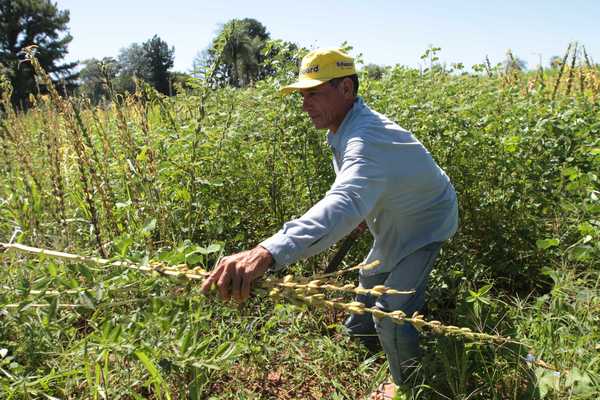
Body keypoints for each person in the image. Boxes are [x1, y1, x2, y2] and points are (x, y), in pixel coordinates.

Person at [201, 48, 458, 399]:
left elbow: (346, 200)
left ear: (347, 89)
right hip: (394, 213)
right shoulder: (345, 127)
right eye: (302, 95)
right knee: (370, 276)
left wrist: (267, 252)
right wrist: (362, 209)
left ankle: (409, 387)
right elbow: (353, 188)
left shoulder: (366, 137)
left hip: (426, 221)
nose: (305, 104)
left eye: (314, 93)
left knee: (392, 312)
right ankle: (357, 340)